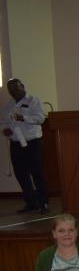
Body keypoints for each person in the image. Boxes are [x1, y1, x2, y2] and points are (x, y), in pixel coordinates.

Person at [0, 78, 49, 213]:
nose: (13, 92)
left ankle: (43, 203)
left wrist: (24, 118)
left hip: (32, 142)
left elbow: (41, 118)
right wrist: (5, 130)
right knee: (21, 174)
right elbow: (2, 122)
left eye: (15, 88)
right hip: (15, 143)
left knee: (37, 172)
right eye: (10, 90)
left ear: (22, 86)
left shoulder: (34, 100)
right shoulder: (7, 106)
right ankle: (31, 202)